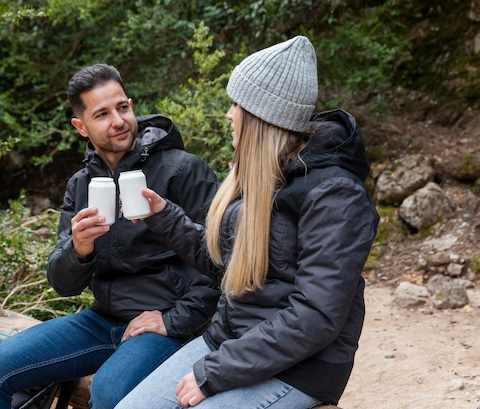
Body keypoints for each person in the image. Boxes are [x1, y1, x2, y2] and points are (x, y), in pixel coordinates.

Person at [114, 35, 380, 409]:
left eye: (236, 104)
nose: (228, 114)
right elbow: (225, 266)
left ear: (260, 116)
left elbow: (316, 315)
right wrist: (163, 216)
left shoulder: (336, 194)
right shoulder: (261, 174)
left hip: (299, 367)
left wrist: (215, 372)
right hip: (230, 342)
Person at [0, 63, 221, 409]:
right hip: (102, 320)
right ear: (81, 127)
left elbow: (222, 262)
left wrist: (172, 319)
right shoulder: (81, 185)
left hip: (165, 323)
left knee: (109, 392)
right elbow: (63, 284)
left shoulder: (184, 170)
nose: (118, 121)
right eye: (102, 114)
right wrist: (78, 250)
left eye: (123, 107)